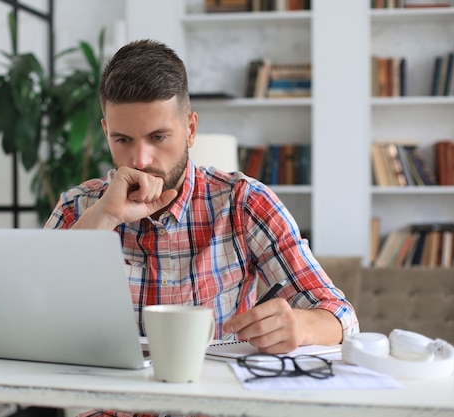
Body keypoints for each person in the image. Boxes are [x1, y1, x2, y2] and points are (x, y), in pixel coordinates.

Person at [44, 39, 359, 417]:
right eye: (122, 140)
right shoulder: (77, 208)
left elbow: (341, 316)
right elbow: (29, 320)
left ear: (190, 129)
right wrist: (103, 218)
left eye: (158, 137)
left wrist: (300, 325)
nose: (140, 159)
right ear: (106, 131)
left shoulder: (243, 202)